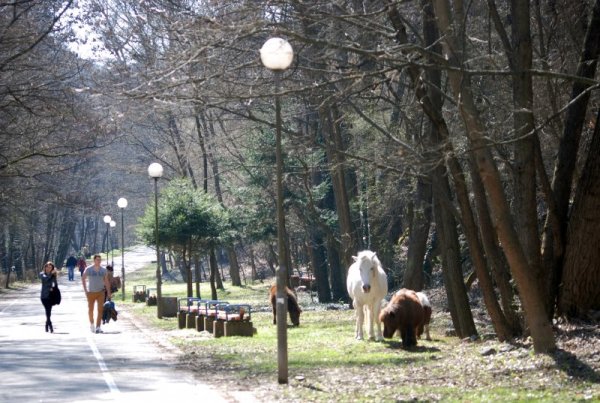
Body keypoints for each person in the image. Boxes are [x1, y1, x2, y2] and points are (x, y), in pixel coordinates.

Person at [82, 254, 112, 334]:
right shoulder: (89, 269)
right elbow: (83, 278)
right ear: (94, 260)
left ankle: (98, 326)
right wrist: (85, 290)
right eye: (97, 259)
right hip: (91, 292)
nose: (98, 261)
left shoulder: (103, 270)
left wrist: (109, 292)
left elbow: (106, 282)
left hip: (100, 292)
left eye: (100, 260)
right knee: (90, 310)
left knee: (100, 310)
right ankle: (92, 324)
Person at [39, 261, 58, 333]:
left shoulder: (53, 275)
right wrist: (51, 274)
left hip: (51, 296)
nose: (48, 268)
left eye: (50, 267)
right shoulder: (42, 274)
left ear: (52, 268)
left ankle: (47, 324)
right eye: (47, 266)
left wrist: (53, 288)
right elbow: (45, 279)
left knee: (48, 311)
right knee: (47, 311)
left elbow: (55, 284)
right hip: (44, 296)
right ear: (45, 267)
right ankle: (50, 325)